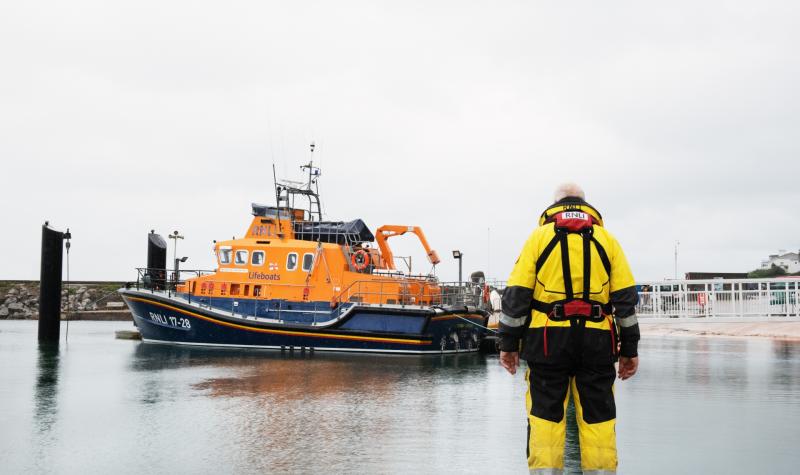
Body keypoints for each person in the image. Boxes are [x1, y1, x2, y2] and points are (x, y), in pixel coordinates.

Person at [498, 183, 640, 475]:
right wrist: (629, 350)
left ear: (555, 205)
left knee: (545, 417)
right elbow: (625, 300)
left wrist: (508, 345)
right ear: (584, 204)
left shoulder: (538, 238)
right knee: (598, 418)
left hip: (547, 340)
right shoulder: (607, 240)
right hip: (598, 342)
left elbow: (516, 296)